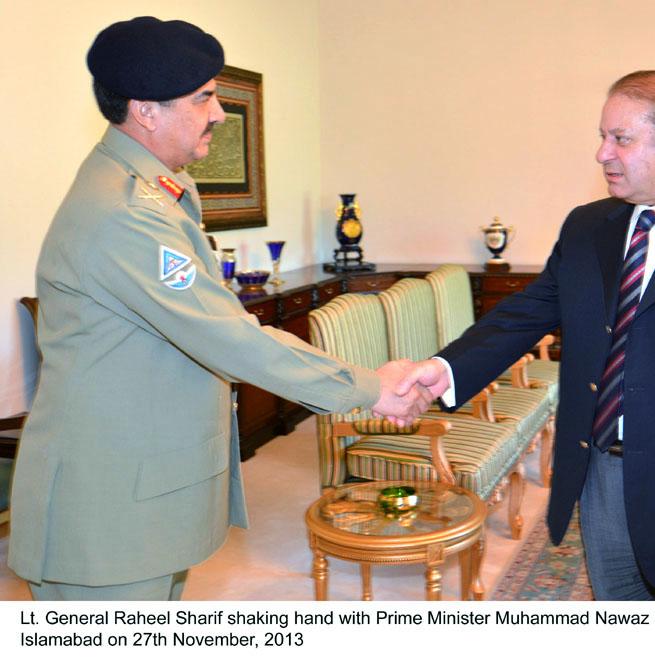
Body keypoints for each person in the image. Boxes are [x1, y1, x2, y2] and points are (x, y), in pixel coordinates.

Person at [8, 16, 431, 601]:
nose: (219, 113)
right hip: (107, 512)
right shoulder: (126, 212)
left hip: (141, 492)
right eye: (204, 97)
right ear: (146, 111)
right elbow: (228, 336)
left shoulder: (157, 190)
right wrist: (369, 386)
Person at [399, 71, 655, 600]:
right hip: (604, 481)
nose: (602, 153)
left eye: (621, 139)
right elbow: (527, 312)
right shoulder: (587, 226)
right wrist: (441, 370)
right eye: (602, 136)